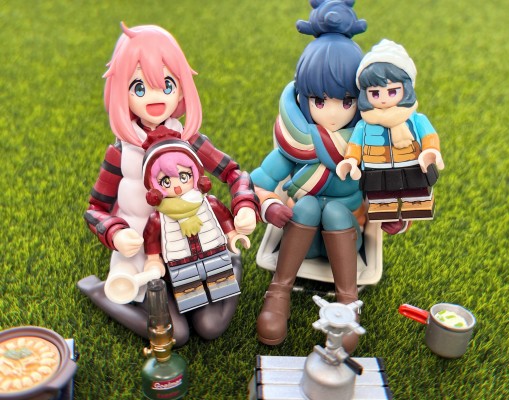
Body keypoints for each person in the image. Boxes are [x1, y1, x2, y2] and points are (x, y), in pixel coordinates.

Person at [77, 23, 259, 344]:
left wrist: (244, 205)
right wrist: (116, 232)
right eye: (139, 87)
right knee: (176, 334)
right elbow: (95, 208)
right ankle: (102, 292)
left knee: (210, 326)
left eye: (167, 84)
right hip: (144, 258)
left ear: (181, 88)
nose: (155, 97)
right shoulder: (121, 152)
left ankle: (231, 263)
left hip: (195, 248)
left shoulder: (189, 140)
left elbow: (234, 173)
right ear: (121, 92)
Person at [251, 0, 369, 353]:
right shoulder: (295, 143)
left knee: (333, 210)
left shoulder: (366, 144)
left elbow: (388, 187)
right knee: (306, 207)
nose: (332, 113)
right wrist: (269, 204)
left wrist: (396, 214)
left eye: (345, 101)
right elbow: (259, 182)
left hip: (344, 241)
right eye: (320, 100)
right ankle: (279, 291)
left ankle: (347, 300)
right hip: (299, 241)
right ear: (304, 99)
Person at [142, 131, 250, 317]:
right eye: (166, 181)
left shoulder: (208, 203)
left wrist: (233, 235)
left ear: (195, 173)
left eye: (183, 176)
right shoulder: (159, 218)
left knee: (223, 289)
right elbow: (151, 240)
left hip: (214, 252)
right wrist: (153, 260)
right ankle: (195, 310)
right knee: (193, 302)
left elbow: (224, 218)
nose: (176, 186)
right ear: (154, 186)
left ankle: (227, 285)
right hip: (181, 263)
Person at [337, 39, 444, 221]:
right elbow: (355, 145)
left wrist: (431, 151)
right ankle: (384, 210)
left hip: (412, 164)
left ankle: (416, 205)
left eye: (392, 91)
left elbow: (429, 136)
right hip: (377, 168)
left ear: (406, 89)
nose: (384, 99)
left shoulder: (415, 119)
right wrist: (351, 161)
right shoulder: (365, 124)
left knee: (416, 194)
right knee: (381, 198)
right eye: (375, 93)